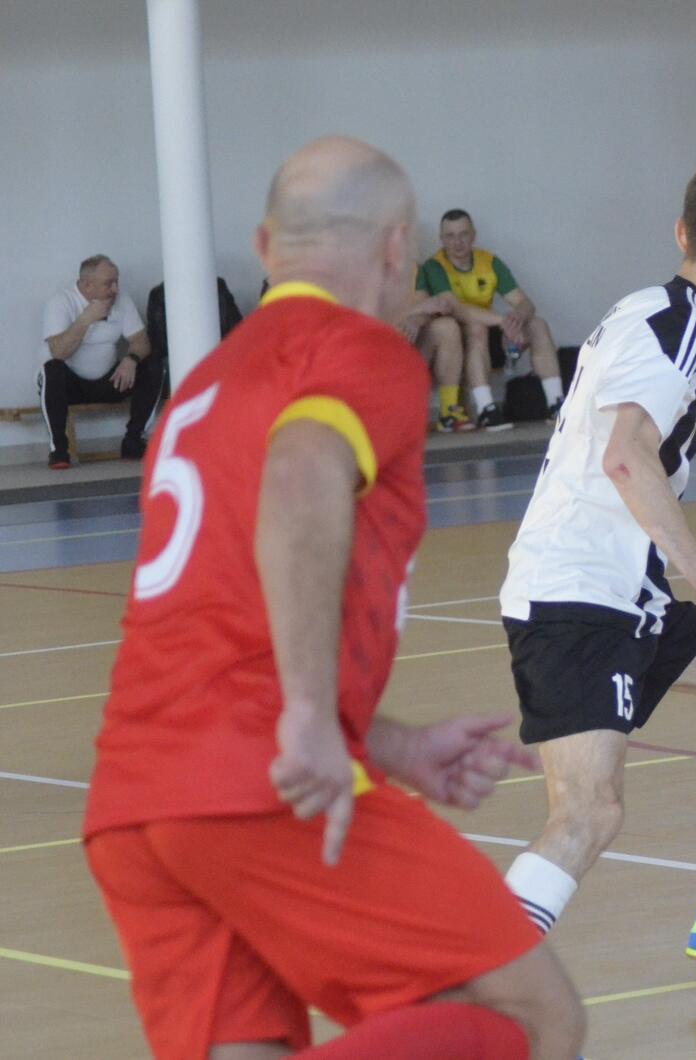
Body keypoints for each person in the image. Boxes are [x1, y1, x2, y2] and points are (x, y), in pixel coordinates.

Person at [82, 136, 584, 1060]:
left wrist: (389, 745)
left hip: (134, 801)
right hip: (259, 780)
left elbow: (220, 619)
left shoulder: (204, 388)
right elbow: (301, 472)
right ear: (398, 250)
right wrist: (315, 720)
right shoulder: (358, 352)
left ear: (264, 247)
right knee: (533, 1018)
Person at [499, 155, 696, 966]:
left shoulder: (663, 313)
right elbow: (625, 458)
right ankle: (472, 992)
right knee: (588, 816)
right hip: (575, 597)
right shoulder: (676, 330)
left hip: (621, 592)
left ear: (683, 233)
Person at [411, 209, 565, 431]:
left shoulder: (489, 262)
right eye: (450, 236)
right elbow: (458, 310)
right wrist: (504, 322)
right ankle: (487, 409)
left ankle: (556, 404)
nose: (457, 242)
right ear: (441, 239)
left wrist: (518, 317)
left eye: (463, 234)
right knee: (476, 327)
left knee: (537, 324)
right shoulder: (434, 267)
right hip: (458, 339)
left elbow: (525, 302)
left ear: (473, 235)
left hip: (491, 331)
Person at [39, 255, 164, 468]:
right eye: (109, 284)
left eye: (116, 281)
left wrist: (131, 359)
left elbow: (141, 341)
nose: (115, 289)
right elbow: (58, 352)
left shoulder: (121, 299)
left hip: (110, 381)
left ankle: (133, 440)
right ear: (88, 286)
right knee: (52, 369)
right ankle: (58, 450)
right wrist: (86, 319)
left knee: (153, 366)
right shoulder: (61, 302)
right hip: (71, 386)